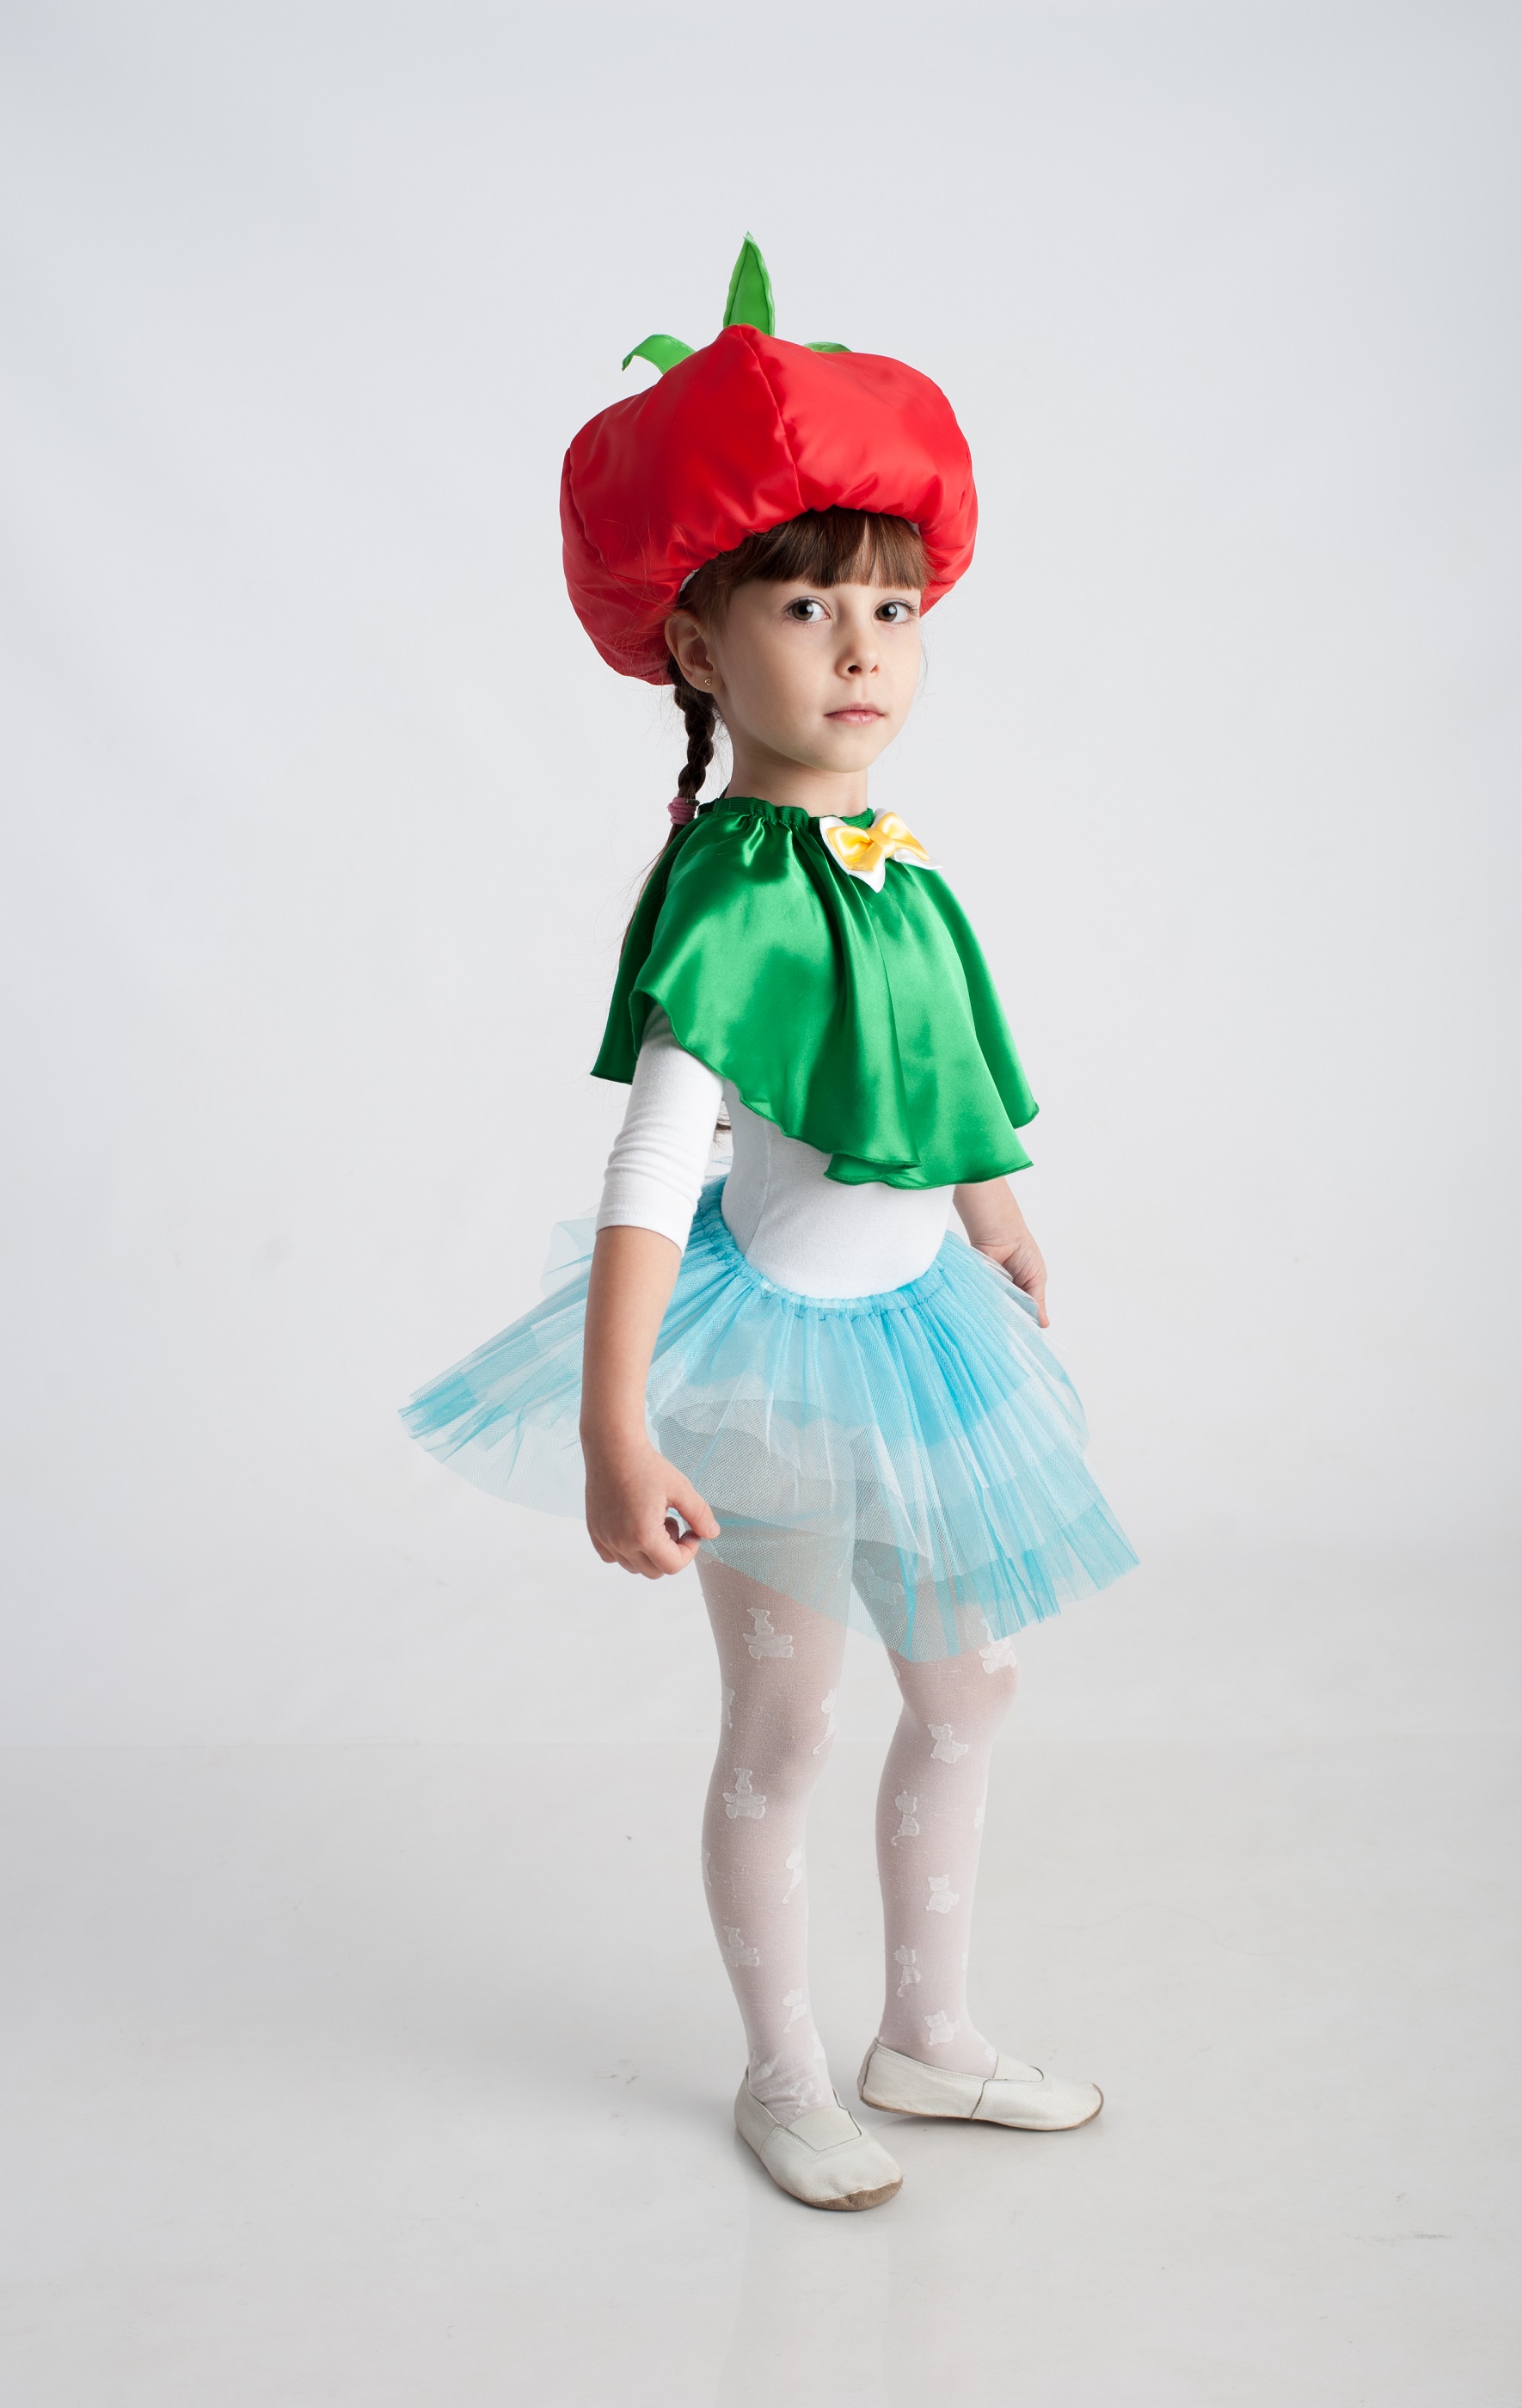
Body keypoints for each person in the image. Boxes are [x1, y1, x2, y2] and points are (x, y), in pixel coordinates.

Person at [402, 239, 1138, 2211]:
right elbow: (657, 1160)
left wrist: (990, 1199)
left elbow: (924, 1054)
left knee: (967, 1686)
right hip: (776, 1374)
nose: (861, 645)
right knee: (787, 1722)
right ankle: (784, 2066)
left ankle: (927, 2028)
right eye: (807, 602)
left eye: (891, 604)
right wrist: (613, 1417)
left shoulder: (892, 861)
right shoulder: (729, 886)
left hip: (919, 1329)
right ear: (699, 645)